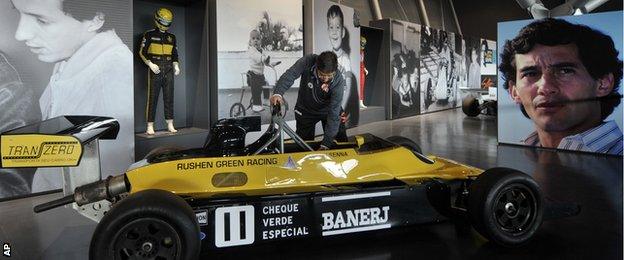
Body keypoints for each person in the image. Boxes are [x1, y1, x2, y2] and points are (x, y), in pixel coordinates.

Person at [12, 0, 134, 190]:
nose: (20, 33)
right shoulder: (70, 60)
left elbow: (111, 186)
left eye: (42, 21)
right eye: (19, 13)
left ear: (96, 19)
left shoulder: (115, 74)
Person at [499, 18, 623, 155]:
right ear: (514, 91)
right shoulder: (516, 154)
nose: (545, 88)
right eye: (531, 73)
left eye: (565, 71)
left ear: (603, 84)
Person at [269, 51, 347, 150]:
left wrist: (326, 144)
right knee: (303, 146)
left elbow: (334, 112)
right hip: (306, 110)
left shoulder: (338, 80)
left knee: (339, 144)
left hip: (329, 111)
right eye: (322, 75)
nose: (326, 79)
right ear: (317, 67)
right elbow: (290, 75)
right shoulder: (307, 61)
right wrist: (278, 93)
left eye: (330, 76)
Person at [139, 7, 180, 134]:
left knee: (169, 97)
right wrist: (150, 64)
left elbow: (175, 54)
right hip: (155, 68)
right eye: (163, 22)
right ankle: (150, 125)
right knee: (153, 97)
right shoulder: (149, 35)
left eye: (167, 23)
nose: (165, 25)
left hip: (168, 68)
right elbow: (142, 52)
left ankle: (170, 123)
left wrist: (176, 65)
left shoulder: (172, 37)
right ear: (157, 20)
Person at [326, 5, 355, 124]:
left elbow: (348, 88)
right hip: (329, 107)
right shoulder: (326, 58)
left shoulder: (346, 60)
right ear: (328, 31)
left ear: (342, 32)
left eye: (337, 27)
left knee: (339, 135)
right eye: (331, 27)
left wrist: (341, 109)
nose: (334, 32)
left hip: (340, 108)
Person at [246, 29, 277, 112]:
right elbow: (258, 58)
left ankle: (266, 100)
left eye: (258, 38)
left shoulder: (262, 50)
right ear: (250, 41)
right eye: (253, 39)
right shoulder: (252, 50)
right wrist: (264, 59)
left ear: (260, 41)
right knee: (256, 89)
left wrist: (270, 64)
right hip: (253, 75)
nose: (255, 40)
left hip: (260, 75)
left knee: (266, 84)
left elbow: (265, 61)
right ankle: (256, 105)